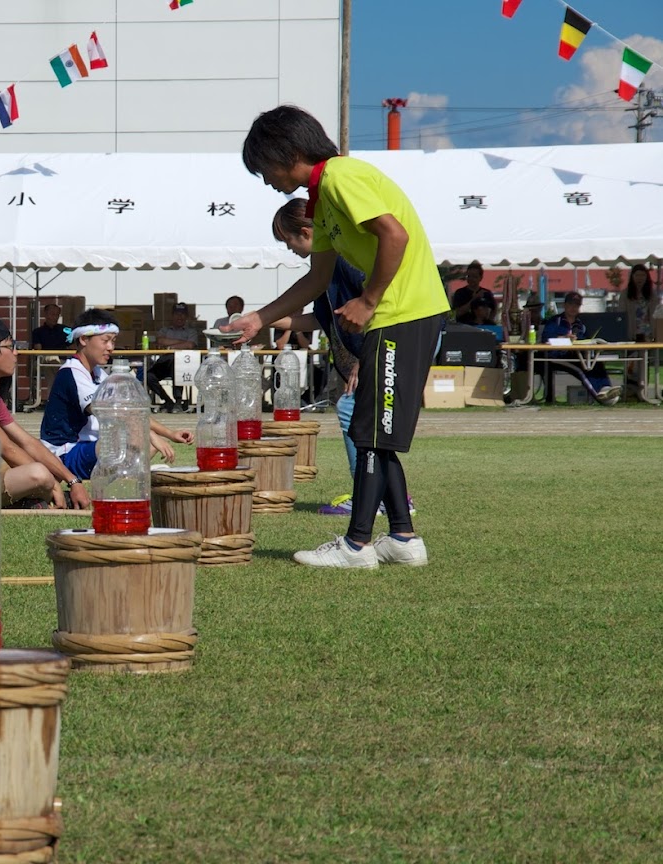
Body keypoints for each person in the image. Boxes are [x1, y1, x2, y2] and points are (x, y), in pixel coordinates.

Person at [236, 104, 447, 569]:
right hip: (391, 317)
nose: (265, 180)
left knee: (369, 431)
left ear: (288, 152)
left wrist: (369, 299)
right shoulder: (321, 198)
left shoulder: (340, 178)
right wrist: (260, 318)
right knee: (373, 431)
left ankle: (356, 546)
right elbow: (318, 279)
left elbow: (394, 236)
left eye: (264, 168)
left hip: (402, 314)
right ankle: (404, 539)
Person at [267, 199, 418, 519]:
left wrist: (367, 360)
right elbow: (322, 320)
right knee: (371, 425)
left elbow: (376, 308)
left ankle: (372, 497)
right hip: (375, 350)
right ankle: (394, 499)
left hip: (384, 345)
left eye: (288, 241)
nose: (289, 248)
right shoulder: (327, 266)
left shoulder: (343, 261)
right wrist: (262, 319)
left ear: (306, 232)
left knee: (355, 411)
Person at [40, 308, 193, 479]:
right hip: (64, 452)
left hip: (88, 447)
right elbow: (108, 412)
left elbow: (130, 411)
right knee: (138, 435)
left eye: (113, 341)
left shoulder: (98, 372)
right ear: (83, 339)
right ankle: (129, 474)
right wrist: (149, 434)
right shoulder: (71, 372)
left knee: (143, 436)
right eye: (105, 341)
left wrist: (170, 434)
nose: (111, 347)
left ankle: (128, 474)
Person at [0, 318, 91, 510]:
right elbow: (5, 447)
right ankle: (39, 499)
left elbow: (28, 442)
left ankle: (34, 500)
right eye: (10, 347)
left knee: (38, 472)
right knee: (38, 474)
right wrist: (52, 483)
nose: (16, 353)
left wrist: (72, 480)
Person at [541, 291, 620, 405]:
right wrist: (564, 338)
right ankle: (599, 395)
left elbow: (585, 341)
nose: (573, 308)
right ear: (565, 305)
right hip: (558, 356)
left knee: (596, 364)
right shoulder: (554, 321)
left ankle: (606, 389)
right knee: (581, 369)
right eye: (571, 304)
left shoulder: (581, 325)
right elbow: (546, 340)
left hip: (578, 355)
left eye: (576, 305)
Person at [147, 302, 200, 412]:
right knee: (149, 376)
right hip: (164, 362)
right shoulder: (164, 330)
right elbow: (160, 340)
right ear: (172, 316)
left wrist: (170, 347)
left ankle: (178, 400)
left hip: (183, 363)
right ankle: (168, 400)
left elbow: (190, 345)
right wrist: (181, 343)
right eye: (177, 314)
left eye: (182, 314)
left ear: (186, 317)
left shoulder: (191, 331)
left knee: (177, 364)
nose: (179, 317)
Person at [623, 264, 657, 399]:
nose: (640, 278)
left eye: (643, 275)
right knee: (631, 362)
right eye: (637, 275)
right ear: (632, 277)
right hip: (631, 333)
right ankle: (630, 391)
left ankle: (643, 390)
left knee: (644, 362)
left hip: (647, 333)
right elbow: (621, 314)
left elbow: (656, 314)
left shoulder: (651, 293)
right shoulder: (626, 294)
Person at [31, 303, 70, 400]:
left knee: (54, 363)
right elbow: (38, 349)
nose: (55, 317)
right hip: (44, 361)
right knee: (51, 359)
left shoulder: (65, 330)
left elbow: (73, 346)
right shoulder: (38, 332)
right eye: (52, 314)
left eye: (57, 315)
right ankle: (56, 395)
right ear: (45, 314)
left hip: (63, 361)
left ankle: (53, 396)